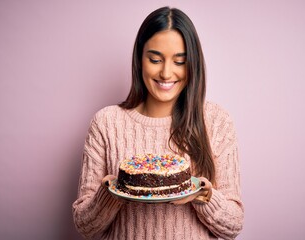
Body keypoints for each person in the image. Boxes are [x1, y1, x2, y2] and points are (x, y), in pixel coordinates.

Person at [72, 6, 244, 240]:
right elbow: (85, 226)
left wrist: (203, 195)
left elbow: (233, 225)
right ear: (139, 59)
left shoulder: (216, 122)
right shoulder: (106, 123)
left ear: (193, 64)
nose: (166, 72)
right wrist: (111, 192)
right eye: (155, 59)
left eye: (179, 61)